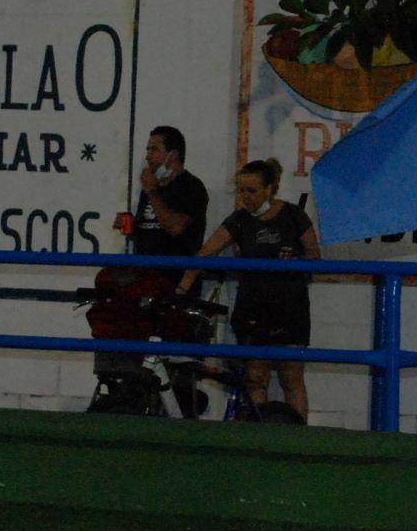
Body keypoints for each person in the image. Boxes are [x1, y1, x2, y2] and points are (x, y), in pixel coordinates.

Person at [179, 160, 321, 420]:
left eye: (252, 191)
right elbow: (205, 253)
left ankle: (300, 440)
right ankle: (259, 434)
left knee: (292, 377)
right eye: (242, 191)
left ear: (269, 188)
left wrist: (296, 263)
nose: (246, 197)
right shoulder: (240, 220)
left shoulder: (293, 215)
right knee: (256, 378)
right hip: (255, 308)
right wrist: (182, 288)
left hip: (290, 306)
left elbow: (314, 255)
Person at [130, 126, 209, 259]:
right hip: (144, 273)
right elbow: (148, 230)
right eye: (148, 150)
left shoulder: (192, 186)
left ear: (173, 155)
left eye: (154, 149)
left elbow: (176, 228)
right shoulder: (150, 187)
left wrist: (152, 192)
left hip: (174, 274)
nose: (148, 157)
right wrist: (130, 225)